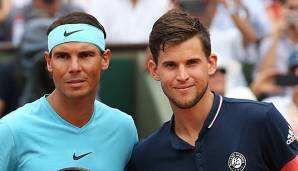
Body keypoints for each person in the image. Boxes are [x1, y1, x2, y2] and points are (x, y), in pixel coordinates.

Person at [128, 9, 298, 171]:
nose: (182, 75)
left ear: (211, 64)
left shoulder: (262, 119)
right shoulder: (145, 156)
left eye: (191, 63)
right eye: (170, 65)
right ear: (154, 70)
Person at [0, 12, 138, 170]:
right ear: (49, 62)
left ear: (105, 59)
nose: (74, 67)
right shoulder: (10, 130)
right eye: (63, 56)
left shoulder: (124, 128)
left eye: (85, 55)